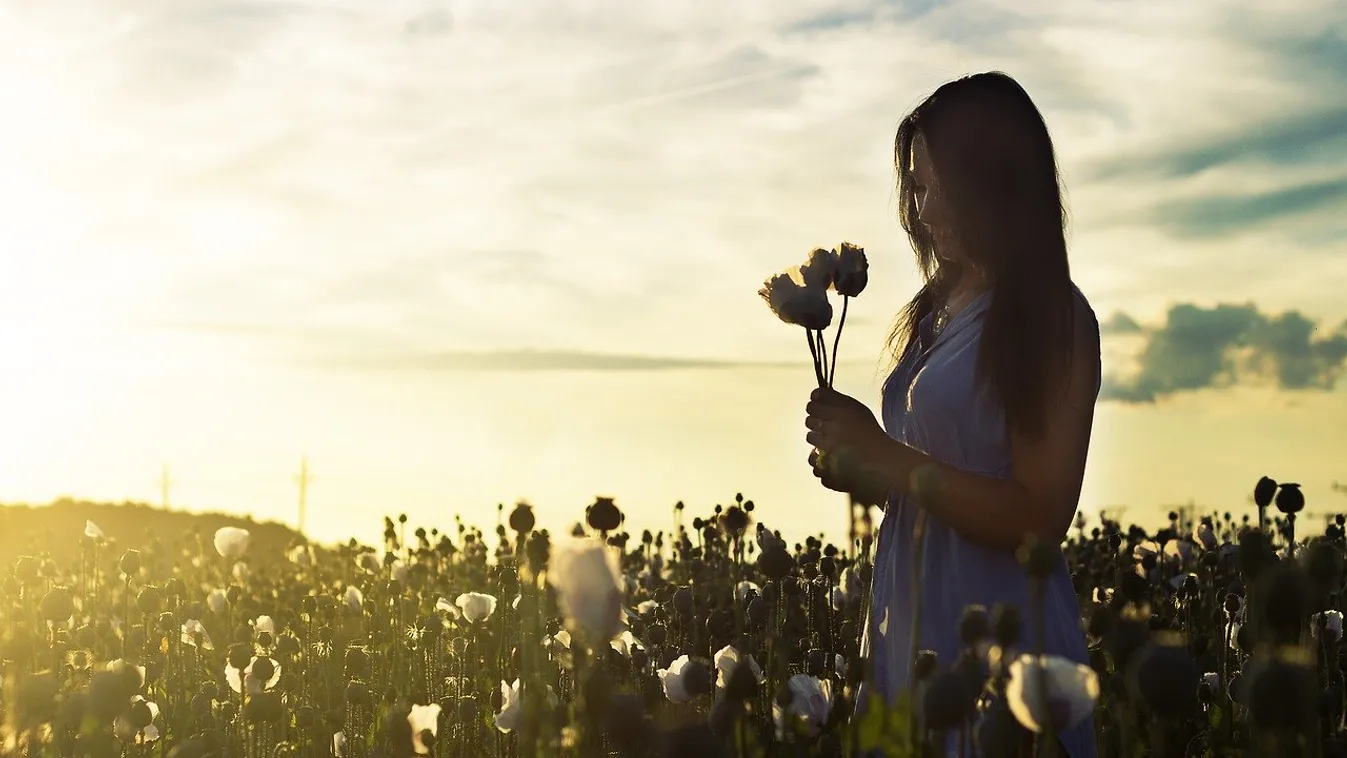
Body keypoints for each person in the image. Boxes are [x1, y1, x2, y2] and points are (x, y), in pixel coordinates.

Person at [803, 71, 1101, 758]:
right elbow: (937, 483)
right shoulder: (934, 313)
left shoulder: (1049, 314)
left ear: (994, 185)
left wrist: (884, 455)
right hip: (911, 630)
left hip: (1000, 645)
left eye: (936, 187)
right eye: (913, 187)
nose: (921, 210)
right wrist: (870, 476)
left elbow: (1039, 516)